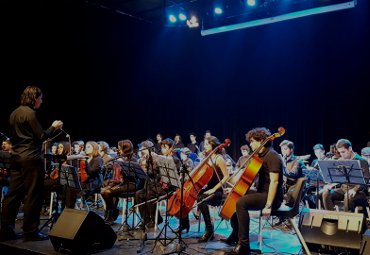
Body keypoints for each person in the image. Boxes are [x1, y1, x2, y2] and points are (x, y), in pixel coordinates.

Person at [0, 86, 63, 242]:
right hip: (30, 158)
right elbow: (41, 135)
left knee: (13, 195)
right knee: (33, 195)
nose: (42, 101)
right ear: (34, 97)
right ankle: (30, 231)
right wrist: (53, 127)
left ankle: (6, 229)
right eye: (40, 98)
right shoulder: (30, 113)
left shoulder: (14, 113)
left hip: (16, 158)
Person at [225, 127, 284, 255]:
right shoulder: (259, 157)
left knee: (241, 203)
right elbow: (249, 178)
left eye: (252, 141)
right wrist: (235, 189)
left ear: (262, 140)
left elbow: (275, 182)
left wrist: (268, 205)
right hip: (262, 192)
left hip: (272, 197)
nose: (250, 144)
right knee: (236, 195)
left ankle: (244, 245)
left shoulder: (273, 156)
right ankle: (236, 234)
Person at [321, 139, 369, 212]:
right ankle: (332, 218)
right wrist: (330, 185)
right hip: (344, 189)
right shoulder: (341, 160)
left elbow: (366, 179)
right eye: (340, 152)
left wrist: (355, 189)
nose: (342, 154)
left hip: (359, 192)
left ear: (350, 148)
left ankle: (347, 221)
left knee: (348, 195)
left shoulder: (362, 161)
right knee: (326, 193)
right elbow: (337, 177)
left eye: (343, 152)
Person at [196, 136, 229, 242]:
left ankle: (209, 229)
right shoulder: (208, 158)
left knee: (202, 199)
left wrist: (214, 189)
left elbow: (226, 177)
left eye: (206, 144)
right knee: (197, 195)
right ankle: (207, 227)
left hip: (218, 192)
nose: (204, 146)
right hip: (209, 189)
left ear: (213, 145)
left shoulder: (219, 158)